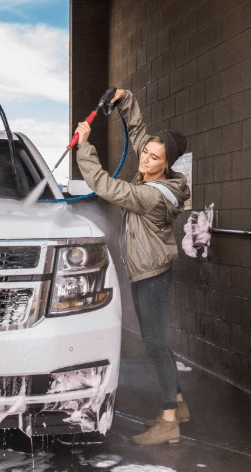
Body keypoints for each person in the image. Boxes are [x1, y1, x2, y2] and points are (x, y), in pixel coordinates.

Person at [74, 88, 191, 445]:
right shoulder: (153, 171)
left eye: (154, 158)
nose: (144, 159)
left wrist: (84, 145)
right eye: (147, 152)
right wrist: (124, 98)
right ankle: (180, 404)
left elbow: (105, 186)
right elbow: (139, 134)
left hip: (153, 274)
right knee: (156, 341)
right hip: (146, 270)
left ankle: (170, 421)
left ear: (165, 166)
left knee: (154, 343)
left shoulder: (152, 195)